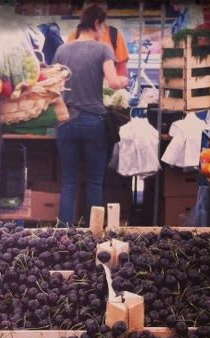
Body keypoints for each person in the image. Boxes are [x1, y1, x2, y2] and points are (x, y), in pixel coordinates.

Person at [53, 4, 129, 227]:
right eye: (103, 27)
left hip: (66, 121)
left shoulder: (62, 50)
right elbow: (114, 82)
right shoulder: (103, 49)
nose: (103, 32)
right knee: (95, 181)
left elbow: (54, 87)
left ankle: (64, 234)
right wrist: (124, 81)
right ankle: (92, 233)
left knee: (69, 181)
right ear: (96, 23)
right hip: (94, 121)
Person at [66, 1, 129, 76]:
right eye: (91, 5)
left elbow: (122, 68)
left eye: (100, 4)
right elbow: (67, 68)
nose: (95, 9)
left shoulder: (115, 35)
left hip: (109, 82)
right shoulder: (74, 36)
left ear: (106, 10)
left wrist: (118, 82)